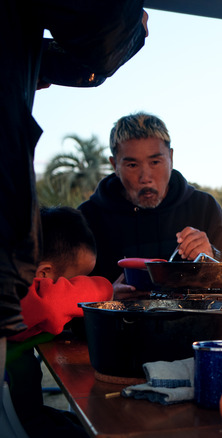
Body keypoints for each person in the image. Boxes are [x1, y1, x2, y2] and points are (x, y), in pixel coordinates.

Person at [0, 0, 147, 420]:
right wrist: (102, 289)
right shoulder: (33, 290)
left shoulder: (200, 205)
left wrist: (37, 64)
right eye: (132, 162)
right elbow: (47, 307)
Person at [78, 112, 222, 296]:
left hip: (194, 324)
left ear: (171, 158)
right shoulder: (88, 218)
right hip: (115, 325)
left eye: (155, 162)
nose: (145, 177)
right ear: (115, 165)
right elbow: (60, 292)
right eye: (132, 165)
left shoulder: (203, 207)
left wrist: (213, 256)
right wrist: (104, 296)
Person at [5, 206, 113, 438]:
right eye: (75, 281)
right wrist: (107, 289)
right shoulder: (15, 294)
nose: (77, 288)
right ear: (44, 273)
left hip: (23, 409)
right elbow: (51, 305)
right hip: (13, 419)